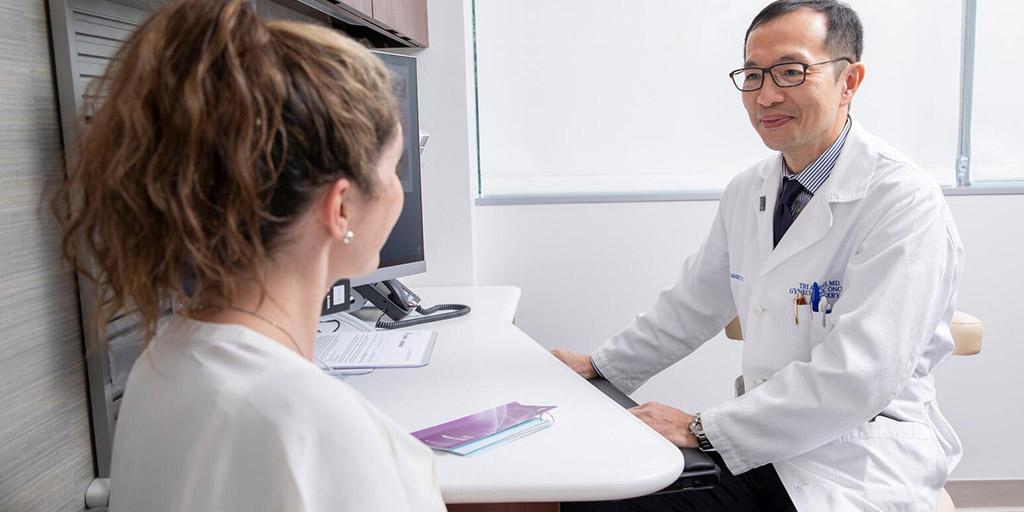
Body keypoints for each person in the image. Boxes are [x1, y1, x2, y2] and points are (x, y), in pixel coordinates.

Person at [556, 1, 964, 510]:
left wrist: (700, 428)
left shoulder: (903, 201)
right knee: (587, 491)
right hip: (761, 444)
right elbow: (690, 306)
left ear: (849, 81)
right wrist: (598, 366)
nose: (766, 95)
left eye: (791, 72)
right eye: (753, 75)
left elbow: (860, 376)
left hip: (857, 460)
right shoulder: (748, 191)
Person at [54, 0, 445, 510]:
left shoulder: (161, 364)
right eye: (394, 166)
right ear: (341, 208)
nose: (398, 189)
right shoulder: (323, 431)